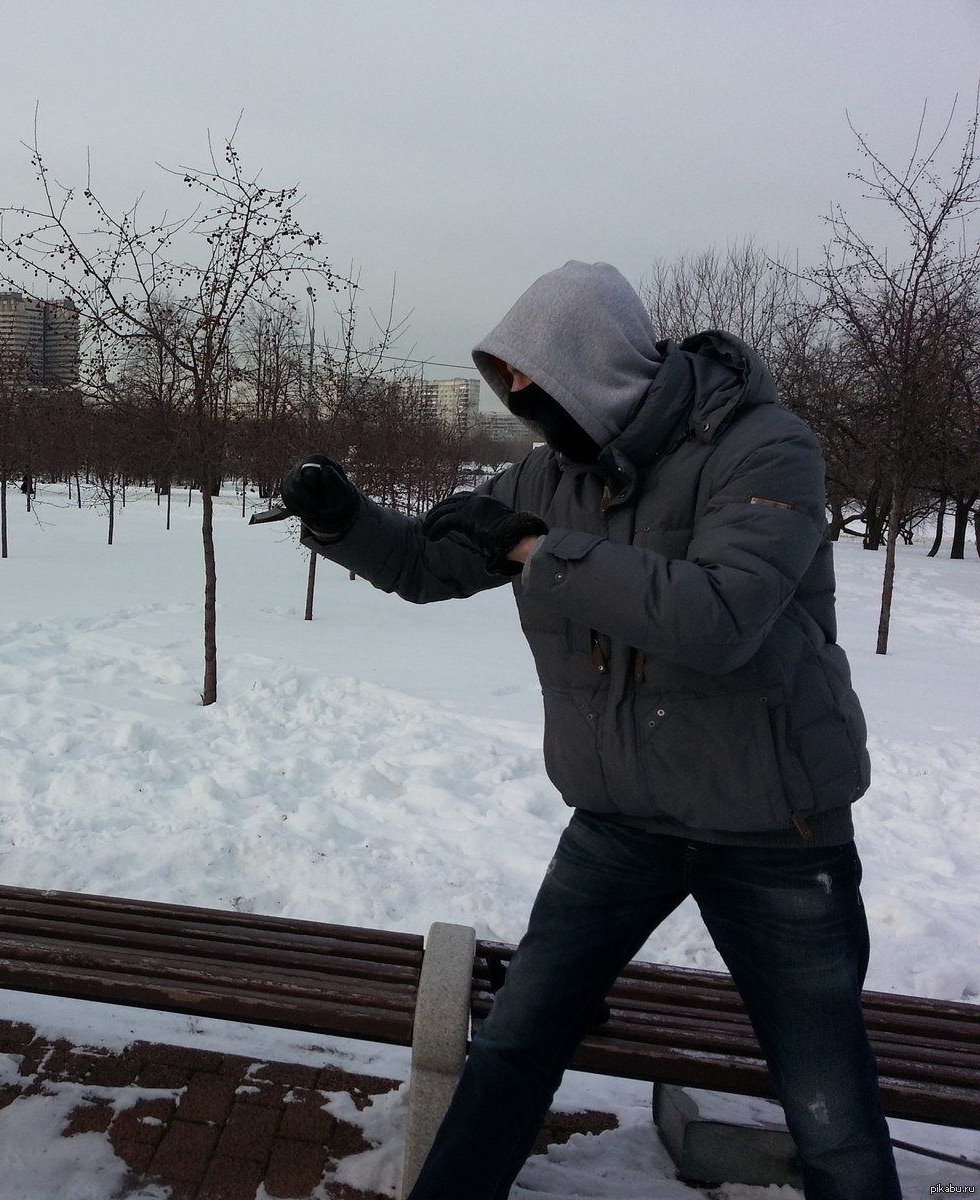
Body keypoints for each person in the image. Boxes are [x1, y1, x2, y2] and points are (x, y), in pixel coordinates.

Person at [277, 261, 899, 1200]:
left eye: (532, 379)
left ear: (597, 368)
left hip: (775, 830)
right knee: (515, 1045)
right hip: (620, 820)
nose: (519, 401)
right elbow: (427, 564)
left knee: (831, 1110)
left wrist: (530, 547)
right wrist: (343, 519)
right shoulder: (548, 473)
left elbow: (723, 617)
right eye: (507, 381)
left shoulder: (765, 447)